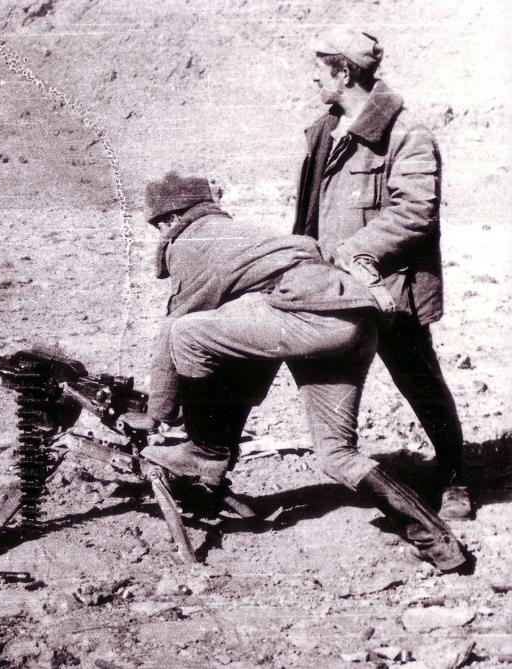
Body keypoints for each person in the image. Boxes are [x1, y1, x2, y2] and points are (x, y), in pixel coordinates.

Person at [136, 171, 468, 573]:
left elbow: (174, 327)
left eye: (158, 226)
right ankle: (439, 541)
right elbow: (250, 343)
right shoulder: (246, 233)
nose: (160, 235)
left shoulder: (190, 241)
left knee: (187, 333)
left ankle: (205, 452)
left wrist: (158, 415)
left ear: (172, 218)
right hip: (354, 319)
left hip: (311, 320)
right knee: (336, 454)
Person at [295, 29, 470, 520]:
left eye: (320, 70)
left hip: (394, 292)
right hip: (333, 287)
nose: (313, 79)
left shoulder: (408, 134)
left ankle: (455, 474)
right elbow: (311, 212)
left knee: (419, 381)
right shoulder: (324, 130)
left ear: (343, 72)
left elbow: (415, 211)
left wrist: (354, 251)